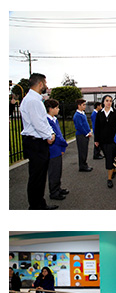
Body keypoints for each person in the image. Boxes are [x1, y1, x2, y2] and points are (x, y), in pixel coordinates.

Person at [19, 72, 57, 210]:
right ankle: (35, 206)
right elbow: (38, 123)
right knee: (36, 176)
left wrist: (50, 133)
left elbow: (43, 121)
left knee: (40, 176)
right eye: (45, 83)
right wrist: (49, 135)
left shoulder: (35, 99)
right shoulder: (33, 101)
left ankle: (40, 203)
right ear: (40, 83)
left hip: (38, 141)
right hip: (35, 142)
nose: (46, 85)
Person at [94, 94, 116, 188]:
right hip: (103, 140)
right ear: (103, 102)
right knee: (108, 156)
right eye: (107, 100)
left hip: (113, 140)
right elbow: (97, 127)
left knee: (110, 157)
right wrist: (96, 139)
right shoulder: (99, 114)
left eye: (110, 101)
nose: (109, 102)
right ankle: (113, 170)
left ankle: (109, 179)